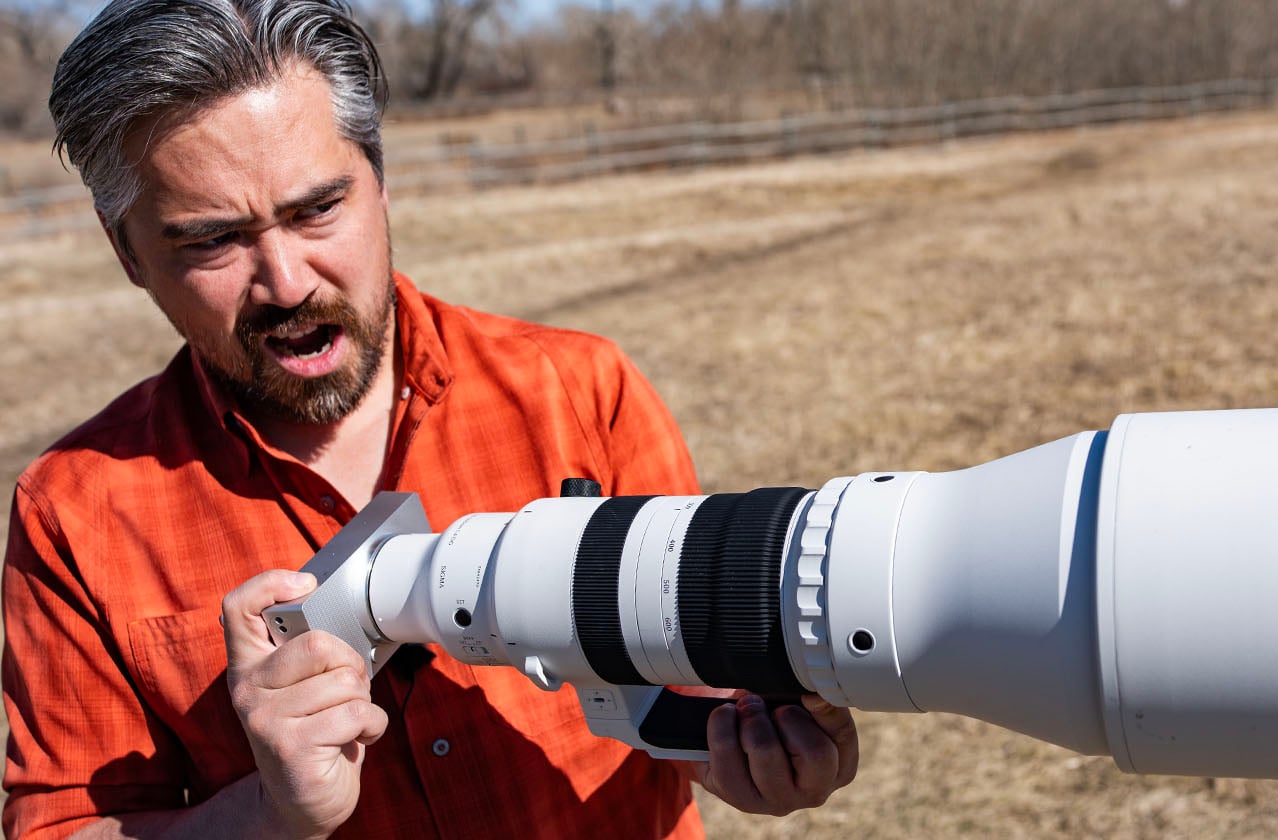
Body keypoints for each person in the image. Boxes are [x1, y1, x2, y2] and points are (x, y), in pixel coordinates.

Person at [2, 0, 858, 837]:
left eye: (315, 209)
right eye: (213, 240)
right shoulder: (76, 515)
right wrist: (268, 815)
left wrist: (753, 751)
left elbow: (699, 706)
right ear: (129, 254)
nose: (287, 281)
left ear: (380, 181)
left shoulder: (580, 391)